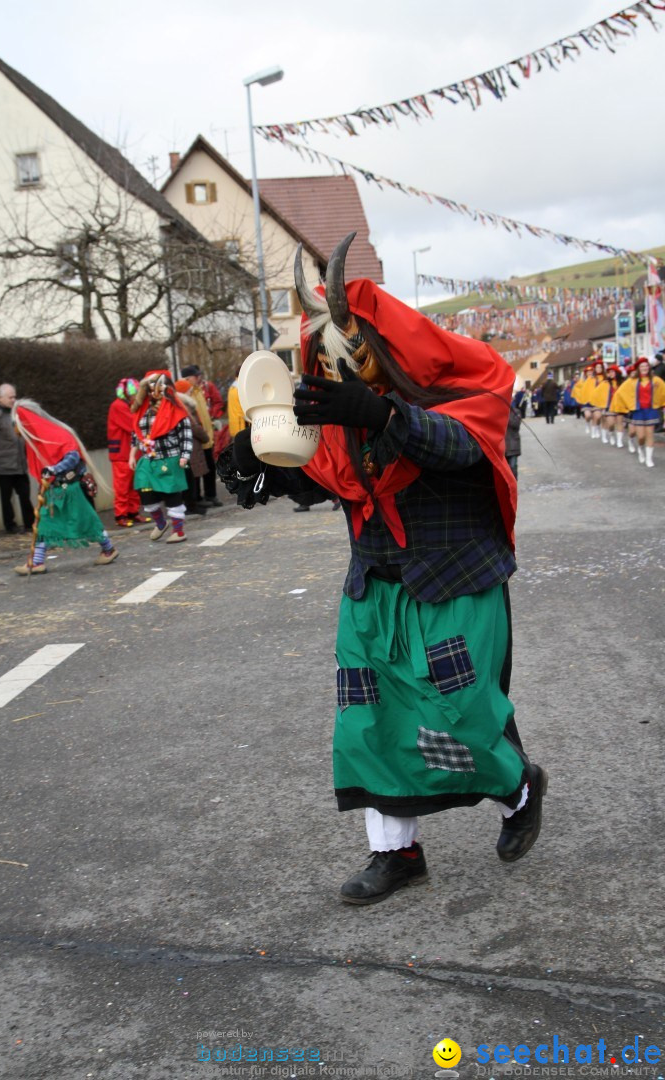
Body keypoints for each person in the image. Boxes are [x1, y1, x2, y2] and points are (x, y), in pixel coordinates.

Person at [222, 234, 546, 906]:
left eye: (355, 358)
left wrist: (383, 414)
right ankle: (395, 853)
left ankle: (517, 787)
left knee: (457, 713)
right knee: (368, 718)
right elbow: (320, 482)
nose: (341, 375)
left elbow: (464, 446)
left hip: (453, 582)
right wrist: (258, 461)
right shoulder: (342, 411)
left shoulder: (471, 388)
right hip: (373, 585)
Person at [10, 399, 118, 575]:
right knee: (44, 522)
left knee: (87, 521)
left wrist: (54, 468)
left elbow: (72, 457)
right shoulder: (35, 442)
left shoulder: (57, 434)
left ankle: (108, 549)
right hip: (54, 490)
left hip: (71, 488)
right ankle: (37, 562)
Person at [129, 370, 192, 542]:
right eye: (149, 386)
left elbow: (185, 434)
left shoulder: (175, 409)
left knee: (172, 495)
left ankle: (178, 531)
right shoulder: (142, 409)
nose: (153, 391)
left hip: (169, 458)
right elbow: (135, 434)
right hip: (148, 459)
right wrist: (132, 455)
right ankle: (161, 523)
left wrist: (185, 455)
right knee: (145, 493)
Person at [0, 383, 35, 534]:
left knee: (25, 493)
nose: (13, 399)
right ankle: (10, 525)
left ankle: (30, 523)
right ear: (0, 398)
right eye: (10, 397)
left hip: (19, 462)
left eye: (14, 396)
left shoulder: (15, 412)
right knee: (6, 497)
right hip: (3, 463)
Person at [179, 365, 223, 506]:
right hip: (197, 437)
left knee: (210, 468)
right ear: (187, 378)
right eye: (195, 376)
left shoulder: (199, 390)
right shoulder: (187, 393)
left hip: (206, 436)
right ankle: (197, 497)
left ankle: (211, 495)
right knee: (196, 470)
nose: (198, 378)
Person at [107, 378, 147, 527]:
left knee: (133, 485)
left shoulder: (125, 405)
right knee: (122, 487)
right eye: (134, 393)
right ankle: (121, 515)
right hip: (121, 454)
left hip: (129, 453)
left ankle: (133, 512)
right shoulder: (118, 406)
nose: (136, 396)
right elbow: (133, 425)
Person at [612, 356, 665, 467]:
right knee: (640, 436)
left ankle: (649, 458)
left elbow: (663, 391)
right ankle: (640, 449)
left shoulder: (656, 380)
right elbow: (620, 393)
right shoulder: (632, 381)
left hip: (651, 410)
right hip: (638, 411)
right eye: (642, 366)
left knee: (650, 434)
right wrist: (627, 406)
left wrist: (661, 404)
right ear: (638, 368)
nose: (644, 368)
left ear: (649, 368)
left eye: (646, 366)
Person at [505, 401, 522, 478]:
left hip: (513, 445)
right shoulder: (497, 412)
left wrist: (505, 414)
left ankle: (514, 486)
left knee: (513, 468)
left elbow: (516, 424)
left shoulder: (516, 411)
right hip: (502, 447)